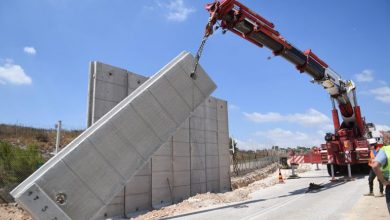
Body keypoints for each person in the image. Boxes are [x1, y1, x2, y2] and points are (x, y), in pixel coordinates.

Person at [371, 141, 390, 214]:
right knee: (371, 179)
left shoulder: (382, 149)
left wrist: (384, 181)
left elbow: (375, 165)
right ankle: (373, 191)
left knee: (380, 181)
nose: (371, 146)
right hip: (379, 169)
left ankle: (381, 192)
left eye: (372, 145)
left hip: (382, 172)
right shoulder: (373, 151)